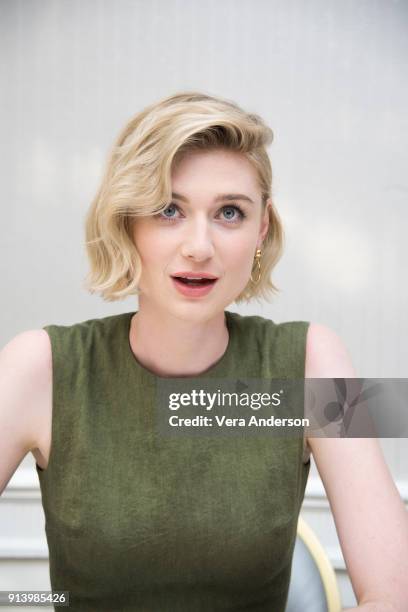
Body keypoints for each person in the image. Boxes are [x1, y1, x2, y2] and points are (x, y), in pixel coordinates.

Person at [1, 92, 407, 611]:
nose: (199, 246)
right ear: (128, 223)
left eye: (230, 213)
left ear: (261, 229)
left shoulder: (310, 363)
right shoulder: (41, 368)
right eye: (169, 209)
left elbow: (394, 595)